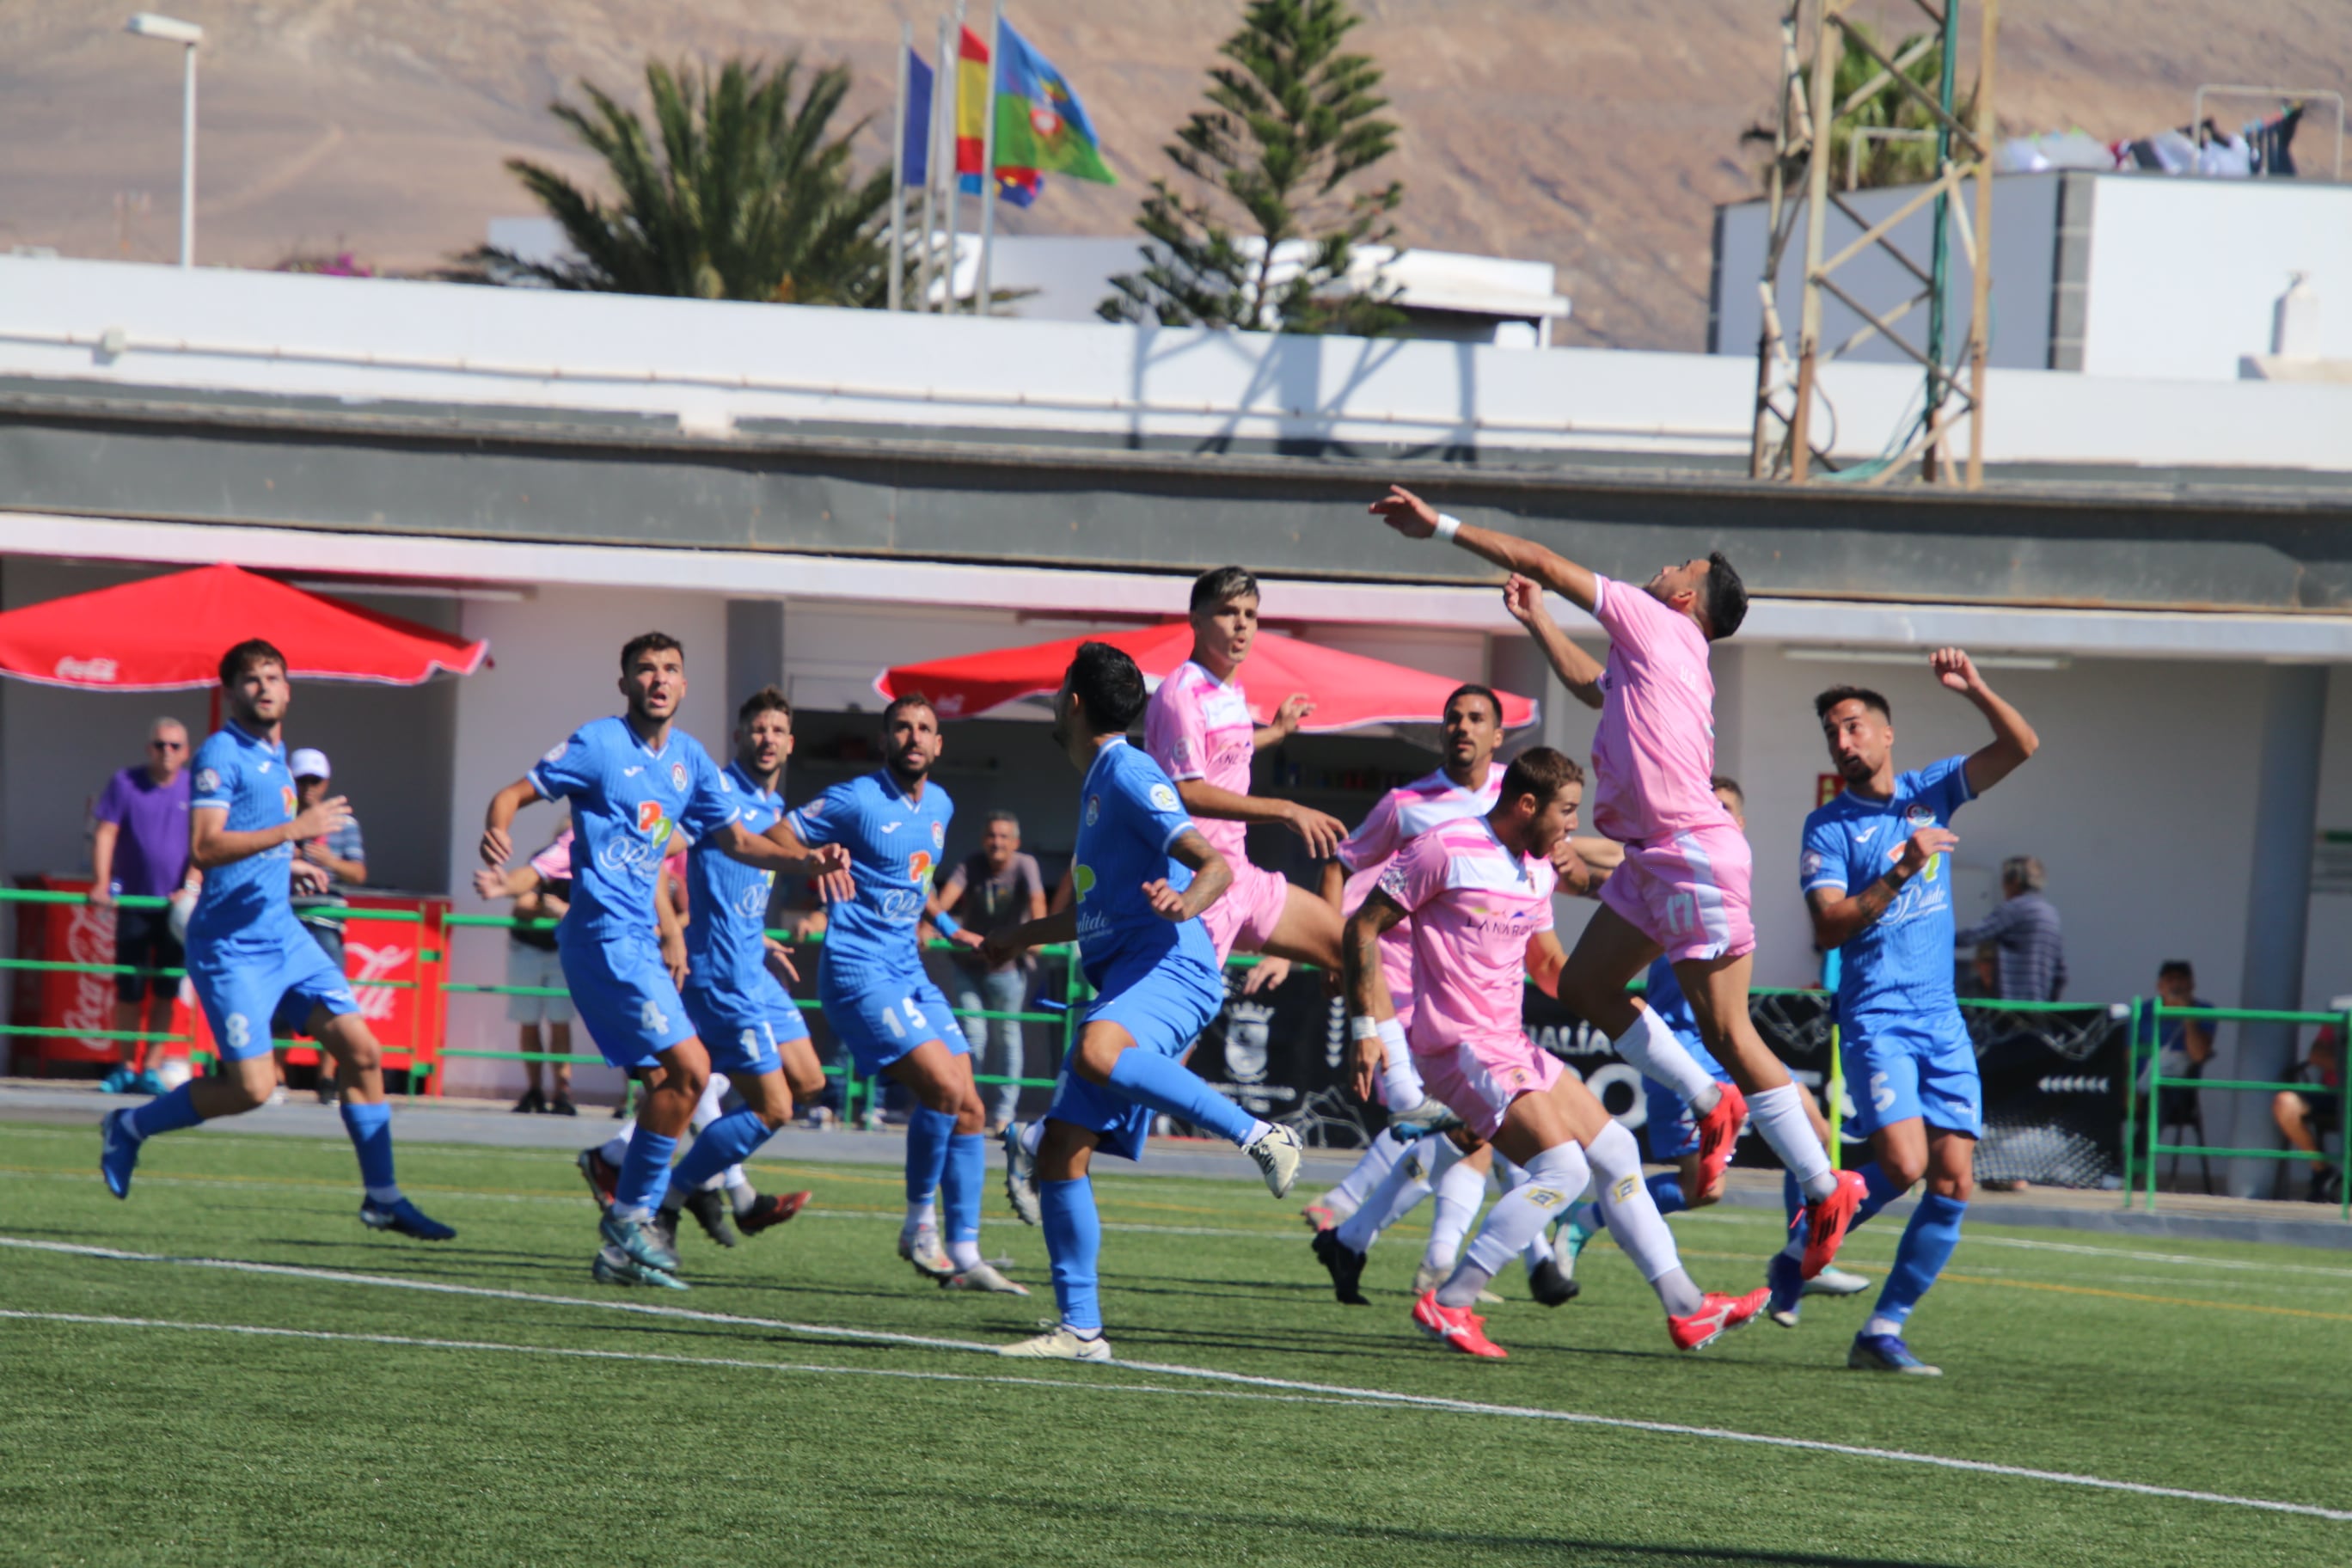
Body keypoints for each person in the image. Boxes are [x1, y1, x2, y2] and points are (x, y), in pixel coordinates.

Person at [1371, 485, 1868, 1280]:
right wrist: (1537, 622)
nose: (1666, 565)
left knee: (1730, 1032)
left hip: (1693, 850)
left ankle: (1822, 1184)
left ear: (1684, 597)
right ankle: (1713, 1103)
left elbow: (1539, 558)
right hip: (1653, 855)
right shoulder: (1662, 655)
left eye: (1682, 565)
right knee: (1587, 985)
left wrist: (1439, 526)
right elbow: (1589, 685)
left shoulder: (1660, 623)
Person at [1343, 745, 1768, 1359]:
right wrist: (1366, 1027)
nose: (1574, 825)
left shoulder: (1536, 870)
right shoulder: (1443, 847)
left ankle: (1686, 1307)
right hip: (1457, 1046)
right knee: (1563, 1170)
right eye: (1567, 811)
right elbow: (1361, 926)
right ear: (1525, 804)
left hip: (1508, 1044)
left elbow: (1545, 965)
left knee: (1617, 1149)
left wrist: (1610, 993)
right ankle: (1453, 1301)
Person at [478, 631, 849, 1289]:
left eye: (670, 670)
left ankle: (625, 1234)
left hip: (637, 946)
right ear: (624, 684)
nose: (658, 679)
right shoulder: (597, 744)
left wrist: (802, 861)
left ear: (684, 685)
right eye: (645, 670)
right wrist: (500, 823)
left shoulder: (690, 761)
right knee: (692, 1069)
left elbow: (734, 839)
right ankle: (643, 1214)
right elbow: (515, 792)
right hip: (602, 937)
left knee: (672, 1087)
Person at [984, 642, 1306, 1361]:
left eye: (1060, 686)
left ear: (1072, 701)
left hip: (1172, 968)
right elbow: (1091, 912)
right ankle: (1082, 1331)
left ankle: (1261, 1135)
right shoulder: (1102, 781)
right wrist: (1020, 935)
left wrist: (1182, 899)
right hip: (1133, 970)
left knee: (1100, 1050)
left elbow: (1215, 864)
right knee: (1063, 1152)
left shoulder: (1128, 769)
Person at [100, 640, 454, 1241]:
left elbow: (249, 838)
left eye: (273, 677)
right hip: (232, 946)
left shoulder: (276, 756)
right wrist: (294, 832)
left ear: (289, 690)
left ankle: (383, 1198)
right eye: (250, 679)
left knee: (363, 1052)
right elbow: (207, 848)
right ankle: (129, 1127)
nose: (263, 687)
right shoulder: (219, 753)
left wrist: (289, 862)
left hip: (285, 936)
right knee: (253, 1089)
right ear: (231, 693)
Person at [1783, 651, 2040, 1375]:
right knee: (1905, 1163)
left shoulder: (1931, 791)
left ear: (1887, 735)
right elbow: (1827, 927)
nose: (1844, 742)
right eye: (1834, 733)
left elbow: (2021, 747)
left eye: (1855, 727)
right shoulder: (1826, 828)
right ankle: (1798, 1248)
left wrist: (1979, 689)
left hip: (1942, 1018)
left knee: (1955, 1179)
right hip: (1875, 1015)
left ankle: (1881, 1330)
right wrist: (1901, 865)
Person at [1553, 777, 1866, 1305]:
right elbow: (1607, 865)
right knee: (1704, 1190)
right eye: (1706, 806)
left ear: (1737, 824)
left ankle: (1806, 1247)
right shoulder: (1673, 868)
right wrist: (1569, 850)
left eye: (1723, 809)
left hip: (1727, 1040)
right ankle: (1584, 1218)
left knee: (1812, 1121)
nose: (1710, 816)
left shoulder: (1727, 870)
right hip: (1683, 1044)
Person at [768, 694, 1008, 1288]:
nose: (913, 737)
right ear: (885, 739)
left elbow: (915, 879)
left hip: (908, 971)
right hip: (857, 971)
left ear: (939, 744)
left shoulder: (943, 806)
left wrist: (951, 927)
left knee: (972, 1106)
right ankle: (917, 1225)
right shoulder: (855, 798)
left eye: (925, 728)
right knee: (947, 1089)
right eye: (901, 727)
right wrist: (812, 861)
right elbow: (773, 837)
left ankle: (967, 1252)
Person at [1299, 685, 1509, 1241]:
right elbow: (1341, 864)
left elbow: (1558, 850)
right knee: (1454, 1119)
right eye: (1453, 718)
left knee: (1473, 1123)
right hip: (1404, 984)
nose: (1462, 727)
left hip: (1488, 990)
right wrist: (1328, 949)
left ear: (1497, 735)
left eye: (1475, 718)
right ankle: (1484, 1263)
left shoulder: (1518, 793)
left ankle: (1359, 1231)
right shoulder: (1407, 805)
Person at [1144, 567, 1347, 981]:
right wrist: (1285, 810)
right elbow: (1190, 792)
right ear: (1196, 621)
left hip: (1241, 878)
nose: (1241, 624)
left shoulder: (1230, 689)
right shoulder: (1181, 693)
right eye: (1228, 612)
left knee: (1355, 950)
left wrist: (1275, 732)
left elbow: (1223, 754)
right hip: (1195, 884)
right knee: (1175, 1039)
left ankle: (1373, 1042)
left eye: (1251, 614)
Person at [90, 717, 194, 1094]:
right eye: (160, 745)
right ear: (149, 747)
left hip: (175, 907)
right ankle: (123, 1065)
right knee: (130, 988)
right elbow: (106, 831)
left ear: (186, 752)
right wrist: (102, 881)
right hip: (134, 900)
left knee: (166, 990)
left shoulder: (194, 786)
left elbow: (205, 841)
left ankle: (151, 1067)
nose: (167, 752)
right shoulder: (125, 782)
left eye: (175, 746)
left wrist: (191, 884)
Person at [938, 810, 1048, 1134]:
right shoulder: (970, 864)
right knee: (974, 1036)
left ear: (1015, 842)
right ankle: (973, 1107)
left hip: (1007, 967)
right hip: (970, 964)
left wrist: (1036, 936)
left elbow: (1038, 901)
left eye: (1003, 836)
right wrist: (929, 926)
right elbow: (944, 902)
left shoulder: (1025, 864)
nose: (996, 843)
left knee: (1007, 1037)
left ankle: (1003, 1114)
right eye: (991, 836)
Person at [471, 824, 582, 1115]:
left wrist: (563, 911)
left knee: (560, 1021)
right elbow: (523, 903)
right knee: (528, 1020)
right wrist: (549, 908)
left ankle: (562, 1091)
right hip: (527, 948)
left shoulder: (591, 868)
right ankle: (534, 1090)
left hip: (562, 951)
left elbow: (590, 912)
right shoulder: (543, 860)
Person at [284, 748, 366, 1104]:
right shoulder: (281, 818)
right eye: (302, 779)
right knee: (279, 998)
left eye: (314, 780)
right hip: (284, 918)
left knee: (330, 1001)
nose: (308, 788)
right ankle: (275, 1076)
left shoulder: (344, 823)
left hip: (326, 919)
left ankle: (327, 1080)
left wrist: (329, 860)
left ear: (326, 782)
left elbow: (359, 873)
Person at [1956, 856, 2067, 1002]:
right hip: (2040, 1007)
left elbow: (1972, 936)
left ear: (2014, 882)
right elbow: (2061, 973)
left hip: (2012, 1005)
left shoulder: (2015, 909)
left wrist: (1937, 938)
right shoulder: (2051, 914)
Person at [2273, 1023, 2343, 1204]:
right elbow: (2316, 1055)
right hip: (2332, 1093)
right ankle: (2323, 1172)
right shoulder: (2345, 1010)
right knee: (2286, 1103)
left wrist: (2337, 1059)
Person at [2148, 960, 2214, 1130]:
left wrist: (2187, 1014)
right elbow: (2128, 1054)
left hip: (2176, 1088)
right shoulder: (2144, 1011)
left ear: (2192, 985)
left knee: (2161, 1094)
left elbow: (2199, 1054)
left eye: (2181, 979)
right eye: (2170, 979)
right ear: (2160, 986)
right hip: (2139, 1083)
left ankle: (2139, 1152)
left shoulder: (2204, 1011)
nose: (2176, 984)